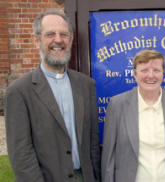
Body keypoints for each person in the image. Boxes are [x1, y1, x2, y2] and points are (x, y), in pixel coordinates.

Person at [4, 9, 100, 182]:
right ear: (36, 41)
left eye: (64, 34)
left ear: (70, 40)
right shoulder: (19, 91)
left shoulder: (86, 85)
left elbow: (93, 145)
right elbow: (21, 156)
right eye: (50, 34)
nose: (58, 40)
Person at [101, 49, 165, 182]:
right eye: (144, 70)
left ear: (163, 73)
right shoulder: (117, 105)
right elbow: (108, 158)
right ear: (134, 73)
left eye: (156, 70)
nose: (151, 75)